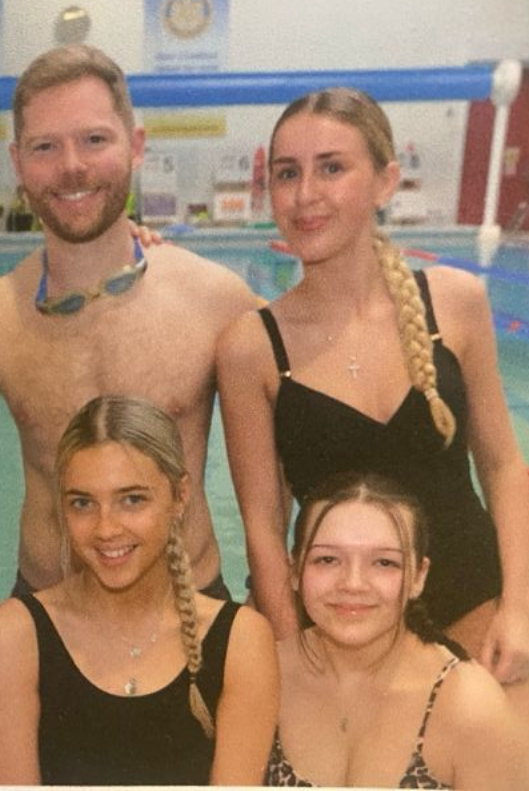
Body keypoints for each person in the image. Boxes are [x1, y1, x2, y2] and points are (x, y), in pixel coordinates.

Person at [0, 44, 258, 599]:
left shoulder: (215, 299)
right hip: (47, 612)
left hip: (189, 608)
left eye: (94, 140)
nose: (72, 166)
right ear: (18, 163)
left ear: (136, 146)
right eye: (46, 147)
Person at [214, 87, 529, 702]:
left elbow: (503, 467)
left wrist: (519, 607)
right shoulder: (251, 348)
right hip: (338, 627)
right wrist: (294, 652)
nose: (305, 194)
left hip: (477, 607)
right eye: (287, 173)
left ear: (385, 181)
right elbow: (263, 526)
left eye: (332, 168)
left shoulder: (455, 302)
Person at [0, 395, 278, 785]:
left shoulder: (241, 640)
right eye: (83, 503)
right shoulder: (13, 636)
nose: (106, 528)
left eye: (132, 500)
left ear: (180, 496)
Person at [266, 471, 526, 788]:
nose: (353, 583)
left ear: (418, 576)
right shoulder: (265, 677)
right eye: (328, 559)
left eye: (384, 563)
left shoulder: (469, 707)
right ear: (294, 570)